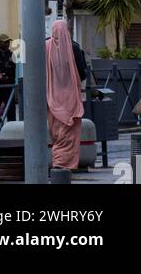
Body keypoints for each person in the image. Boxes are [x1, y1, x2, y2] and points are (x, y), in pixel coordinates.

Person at [45, 19, 86, 175]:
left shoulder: (46, 46)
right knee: (69, 132)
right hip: (70, 97)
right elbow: (82, 73)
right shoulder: (73, 47)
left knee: (56, 132)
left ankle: (58, 163)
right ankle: (64, 165)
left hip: (52, 96)